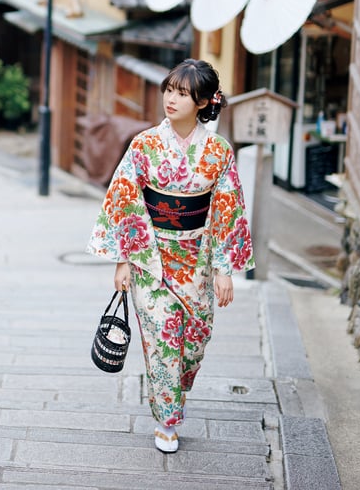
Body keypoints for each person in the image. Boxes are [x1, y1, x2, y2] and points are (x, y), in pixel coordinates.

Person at [87, 58, 253, 454]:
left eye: (182, 93)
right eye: (169, 90)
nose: (171, 99)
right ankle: (167, 422)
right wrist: (124, 258)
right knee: (163, 341)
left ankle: (175, 394)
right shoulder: (144, 145)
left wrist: (224, 268)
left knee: (193, 343)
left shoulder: (217, 151)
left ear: (204, 101)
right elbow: (125, 198)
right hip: (152, 258)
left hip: (197, 259)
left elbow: (229, 207)